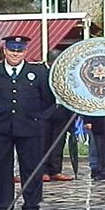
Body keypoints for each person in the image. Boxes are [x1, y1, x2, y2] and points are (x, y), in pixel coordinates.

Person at [0, 36, 54, 210]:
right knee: (0, 169)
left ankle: (32, 208)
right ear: (5, 50)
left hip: (30, 128)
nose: (15, 54)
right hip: (0, 128)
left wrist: (40, 120)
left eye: (19, 51)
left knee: (32, 169)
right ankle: (2, 207)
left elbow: (49, 102)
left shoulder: (38, 73)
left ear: (25, 52)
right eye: (12, 50)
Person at [41, 50, 74, 183]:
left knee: (59, 141)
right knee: (43, 142)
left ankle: (55, 170)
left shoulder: (65, 73)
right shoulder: (41, 72)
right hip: (44, 112)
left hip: (62, 111)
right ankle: (42, 170)